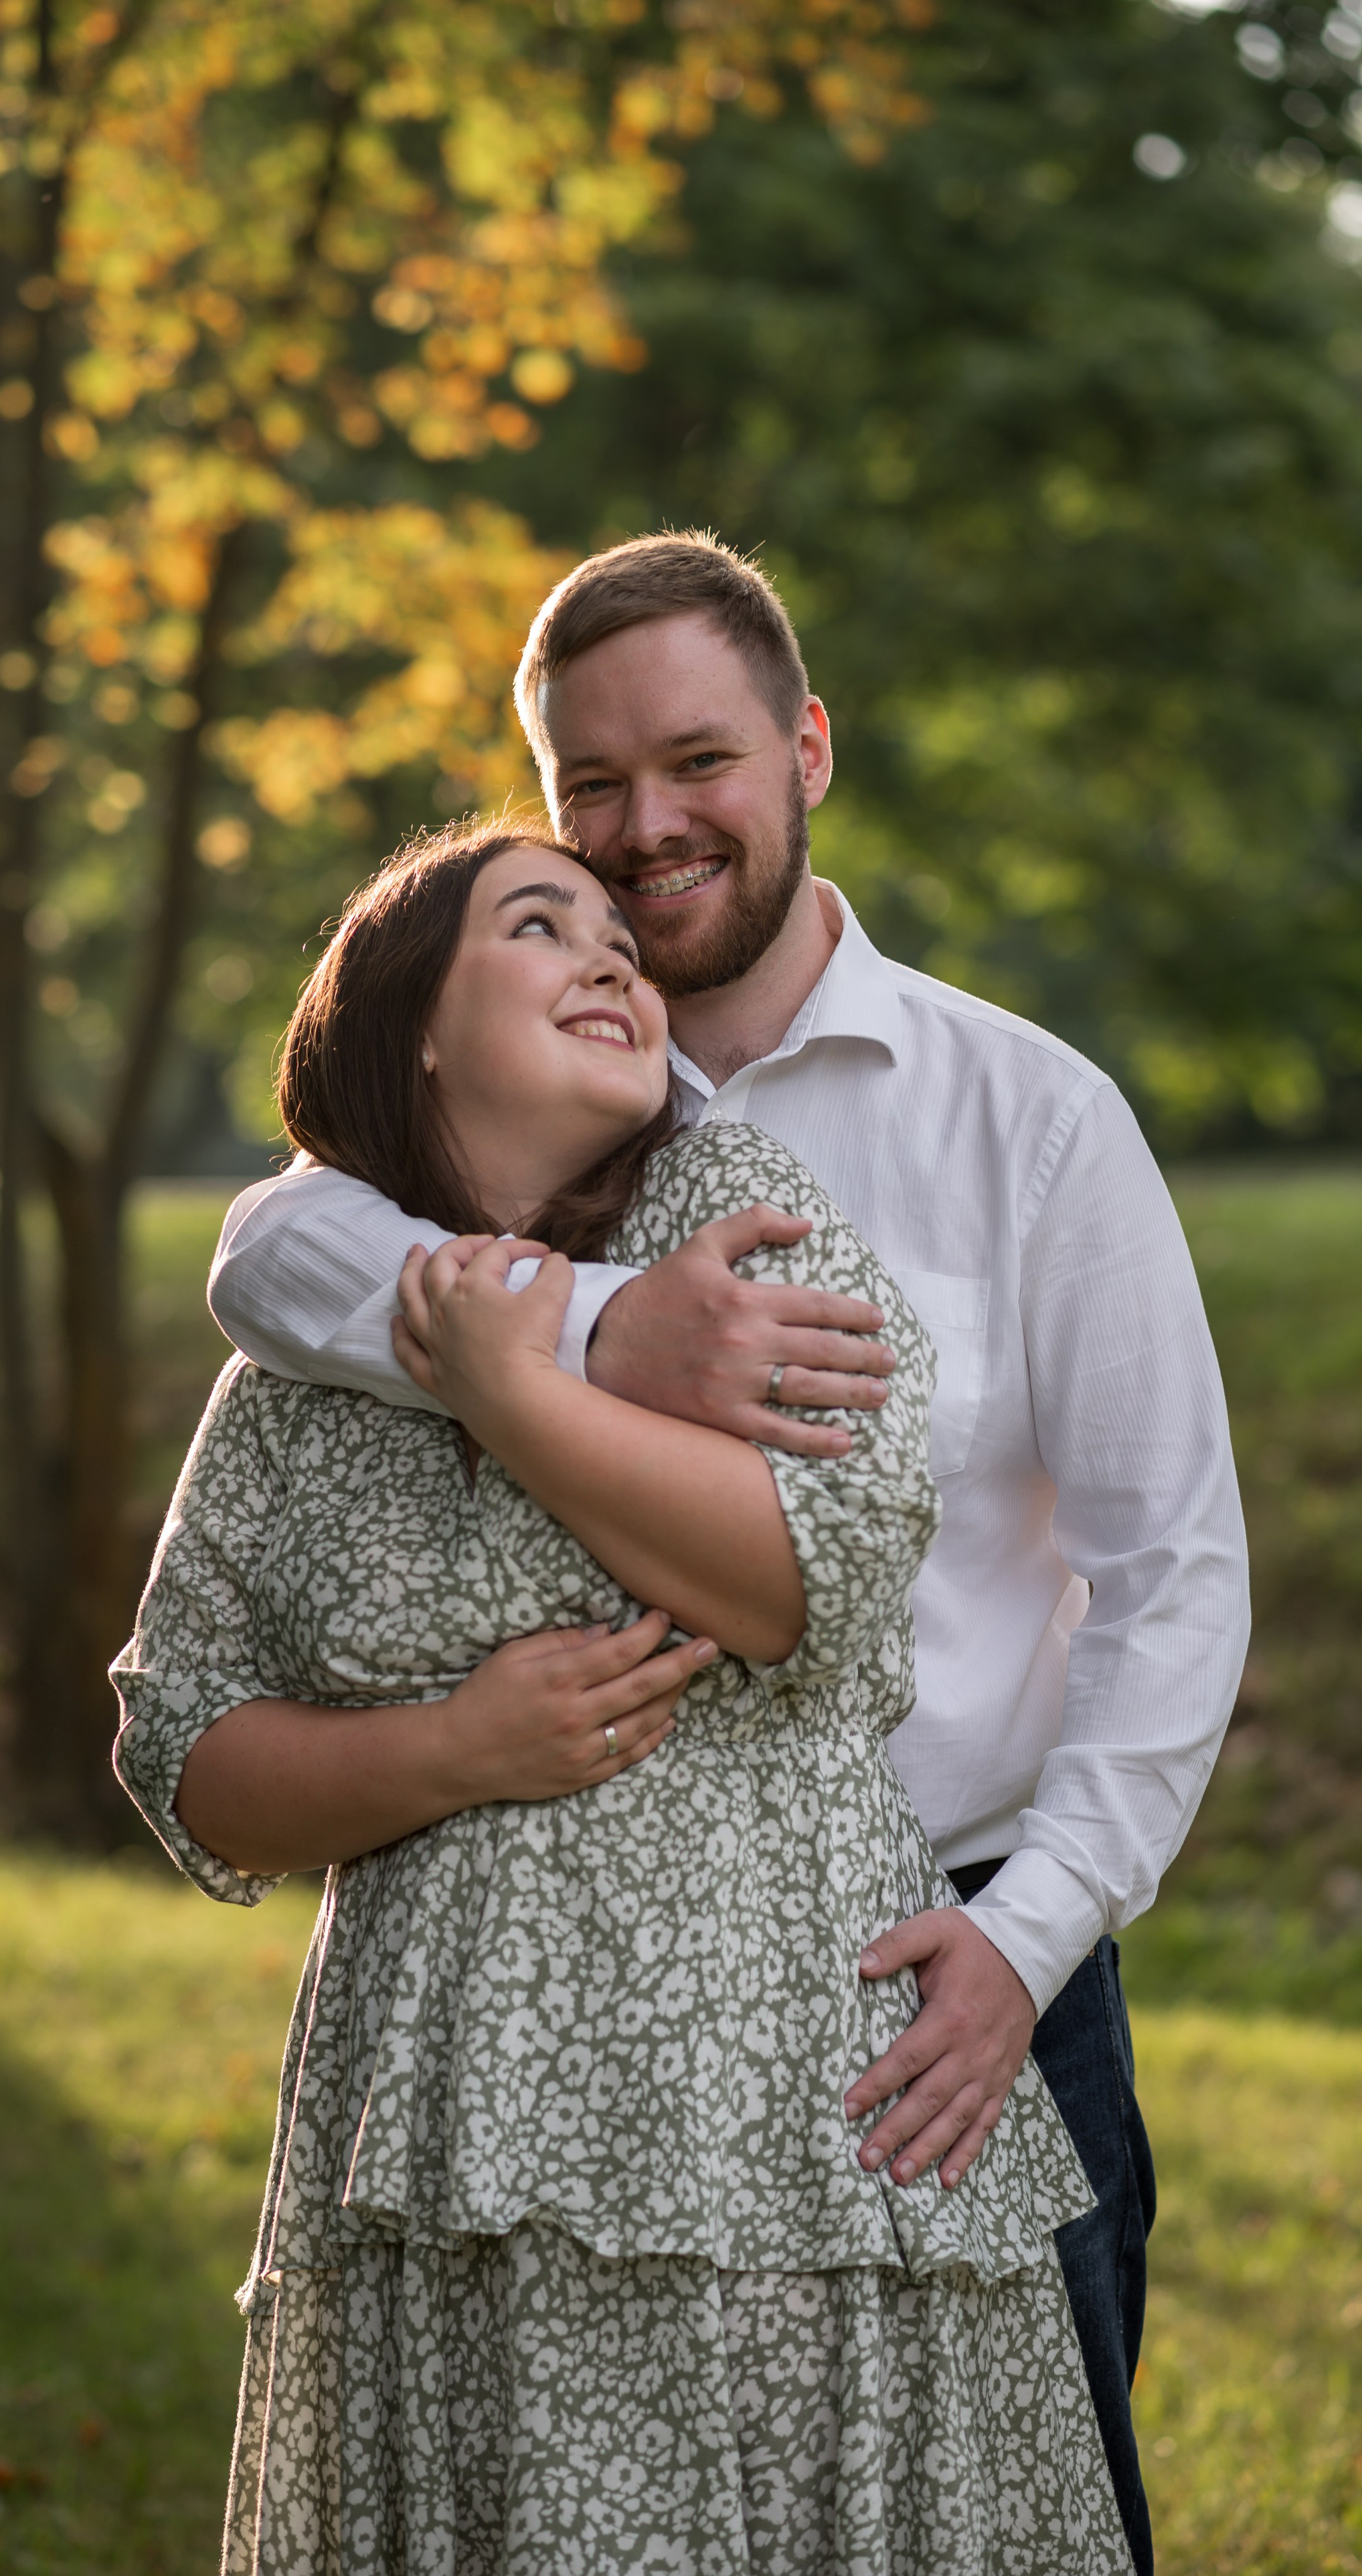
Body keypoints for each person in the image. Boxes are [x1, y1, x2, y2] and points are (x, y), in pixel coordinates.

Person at [205, 534, 1250, 2575]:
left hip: (940, 1974)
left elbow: (1176, 1577)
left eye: (700, 760)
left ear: (807, 748)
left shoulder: (1026, 1118)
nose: (650, 824)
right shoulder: (537, 1117)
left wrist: (1028, 1942)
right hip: (567, 1999)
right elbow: (272, 1248)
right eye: (591, 787)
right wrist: (605, 1327)